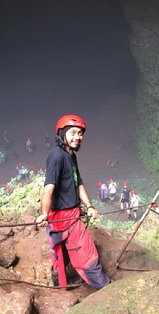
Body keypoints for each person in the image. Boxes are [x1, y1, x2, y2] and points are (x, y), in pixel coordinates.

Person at [35, 114, 110, 290]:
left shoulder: (70, 155)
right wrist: (44, 213)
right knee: (86, 253)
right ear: (62, 134)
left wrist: (90, 207)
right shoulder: (56, 157)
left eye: (80, 133)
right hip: (62, 216)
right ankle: (106, 288)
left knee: (62, 251)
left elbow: (78, 183)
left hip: (71, 213)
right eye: (73, 133)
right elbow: (49, 188)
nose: (77, 137)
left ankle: (60, 279)